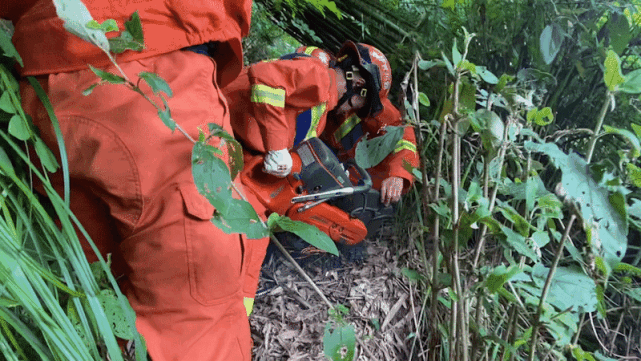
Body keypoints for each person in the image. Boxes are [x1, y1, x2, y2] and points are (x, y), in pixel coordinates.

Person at [1, 1, 266, 360]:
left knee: (95, 289)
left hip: (45, 74)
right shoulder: (319, 76)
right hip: (153, 68)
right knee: (197, 319)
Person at [296, 45, 419, 206]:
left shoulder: (375, 110)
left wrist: (398, 176)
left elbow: (406, 140)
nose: (359, 107)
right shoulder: (319, 67)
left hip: (355, 187)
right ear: (358, 85)